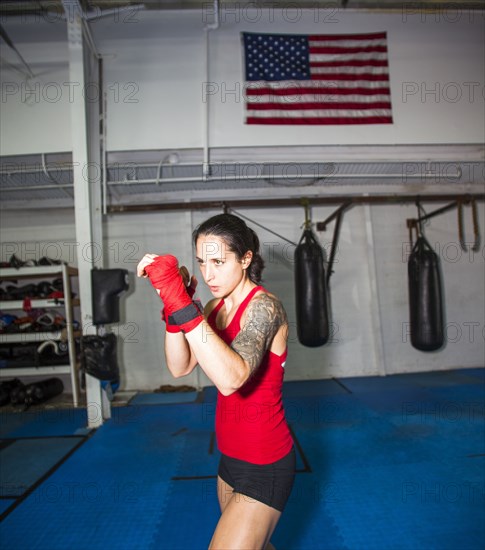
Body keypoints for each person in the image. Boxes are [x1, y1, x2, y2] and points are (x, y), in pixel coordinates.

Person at [136, 213, 295, 550]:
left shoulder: (266, 308)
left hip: (265, 463)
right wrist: (173, 306)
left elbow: (231, 379)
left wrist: (181, 302)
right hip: (229, 460)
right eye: (202, 262)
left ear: (246, 258)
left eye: (219, 262)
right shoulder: (212, 306)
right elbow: (179, 367)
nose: (208, 274)